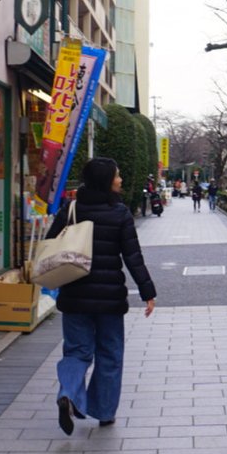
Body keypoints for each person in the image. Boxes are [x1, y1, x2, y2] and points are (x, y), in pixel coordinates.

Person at [50, 157, 157, 435]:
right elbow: (133, 257)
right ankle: (104, 411)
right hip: (109, 299)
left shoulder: (70, 209)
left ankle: (69, 393)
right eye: (117, 176)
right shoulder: (119, 213)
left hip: (74, 293)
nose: (120, 180)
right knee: (109, 353)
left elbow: (50, 244)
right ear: (107, 180)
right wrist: (147, 291)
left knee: (77, 350)